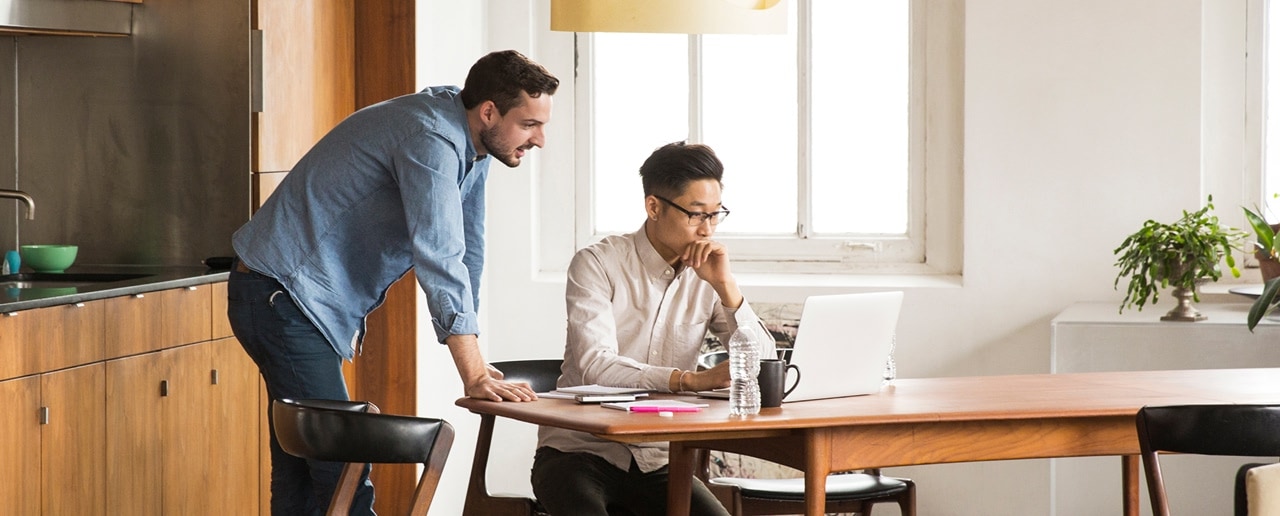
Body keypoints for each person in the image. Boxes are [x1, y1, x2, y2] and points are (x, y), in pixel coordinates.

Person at [227, 49, 558, 515]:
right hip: (281, 295)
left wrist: (475, 356)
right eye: (530, 124)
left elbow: (468, 250)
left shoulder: (475, 143)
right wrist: (474, 372)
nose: (541, 139)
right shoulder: (431, 137)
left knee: (304, 467)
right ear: (490, 111)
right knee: (342, 466)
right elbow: (439, 256)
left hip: (283, 296)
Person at [530, 141, 776, 515]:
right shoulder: (597, 263)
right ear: (654, 206)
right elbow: (597, 365)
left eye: (716, 214)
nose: (707, 229)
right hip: (580, 452)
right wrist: (689, 380)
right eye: (696, 215)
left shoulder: (708, 273)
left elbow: (767, 364)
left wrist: (727, 289)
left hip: (660, 461)